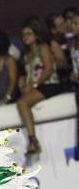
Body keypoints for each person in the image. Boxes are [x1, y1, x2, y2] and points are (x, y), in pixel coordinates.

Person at [17, 21, 66, 155]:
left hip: (50, 84)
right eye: (23, 35)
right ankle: (32, 140)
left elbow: (49, 69)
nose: (25, 37)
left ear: (36, 35)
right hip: (35, 86)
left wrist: (34, 85)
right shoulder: (26, 55)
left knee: (22, 103)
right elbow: (27, 74)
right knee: (20, 101)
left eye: (29, 34)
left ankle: (33, 140)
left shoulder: (43, 48)